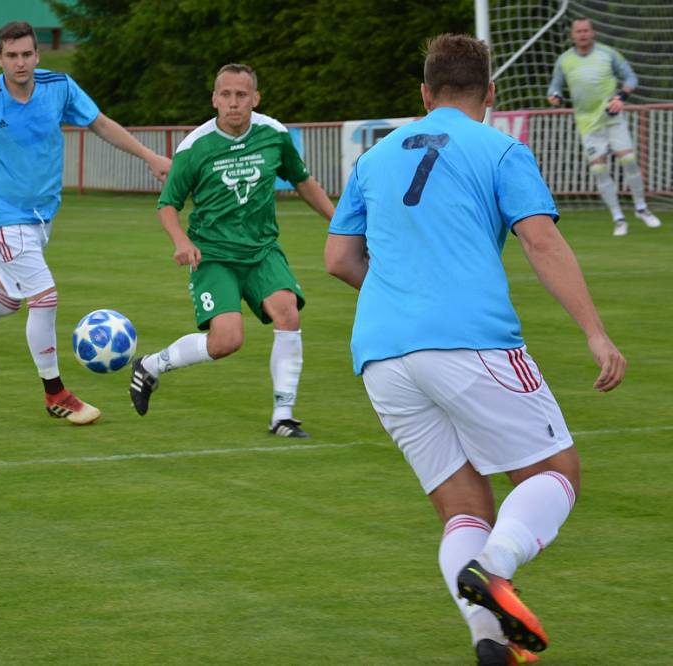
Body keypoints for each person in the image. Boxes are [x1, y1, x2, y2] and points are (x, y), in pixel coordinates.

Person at [325, 34, 625, 666]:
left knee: (464, 508)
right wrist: (595, 332)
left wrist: (397, 294)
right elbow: (540, 242)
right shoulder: (501, 148)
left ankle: (490, 640)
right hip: (469, 341)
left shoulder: (373, 158)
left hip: (380, 354)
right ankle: (493, 571)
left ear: (424, 93)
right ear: (488, 94)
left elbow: (339, 261)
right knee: (554, 472)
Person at [0, 21, 171, 425]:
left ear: (37, 55)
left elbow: (101, 124)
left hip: (40, 216)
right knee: (45, 296)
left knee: (6, 299)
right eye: (11, 56)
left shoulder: (60, 87)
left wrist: (149, 157)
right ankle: (55, 393)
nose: (20, 63)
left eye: (26, 54)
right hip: (0, 217)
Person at [129, 63, 335, 438]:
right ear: (214, 99)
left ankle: (283, 416)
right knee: (227, 341)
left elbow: (303, 181)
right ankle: (151, 366)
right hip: (213, 255)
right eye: (225, 95)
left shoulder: (274, 135)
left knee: (287, 311)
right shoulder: (195, 147)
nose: (233, 103)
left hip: (262, 250)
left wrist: (337, 223)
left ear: (255, 98)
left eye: (242, 95)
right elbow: (168, 204)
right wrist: (181, 241)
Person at [547, 17, 662, 236]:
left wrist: (621, 96)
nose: (582, 34)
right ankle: (618, 218)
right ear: (573, 35)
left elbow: (630, 78)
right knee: (599, 169)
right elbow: (555, 87)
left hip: (611, 117)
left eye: (586, 30)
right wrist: (554, 97)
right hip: (587, 123)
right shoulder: (564, 60)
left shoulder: (608, 54)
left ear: (593, 32)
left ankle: (641, 207)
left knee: (628, 159)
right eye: (578, 31)